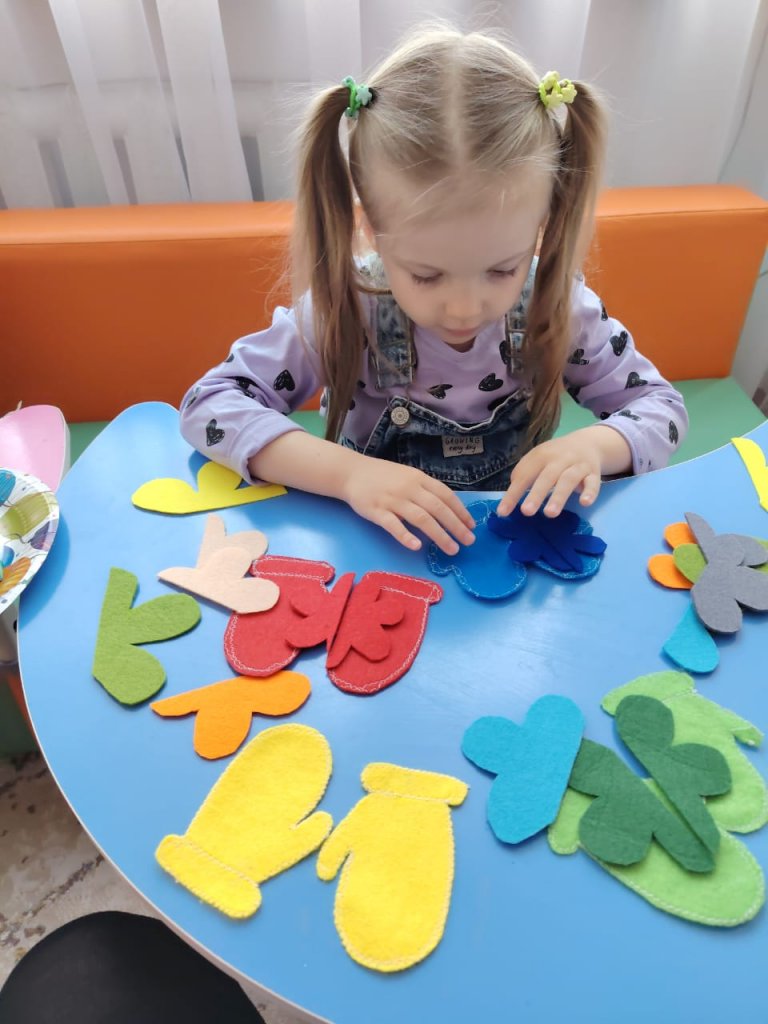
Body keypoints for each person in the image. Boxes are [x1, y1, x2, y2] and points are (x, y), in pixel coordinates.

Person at [180, 26, 687, 557]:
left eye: (502, 269)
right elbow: (208, 406)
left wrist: (596, 447)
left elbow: (661, 408)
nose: (465, 308)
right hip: (378, 556)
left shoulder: (558, 307)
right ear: (374, 231)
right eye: (426, 275)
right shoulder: (346, 310)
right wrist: (349, 475)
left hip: (512, 555)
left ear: (540, 225)